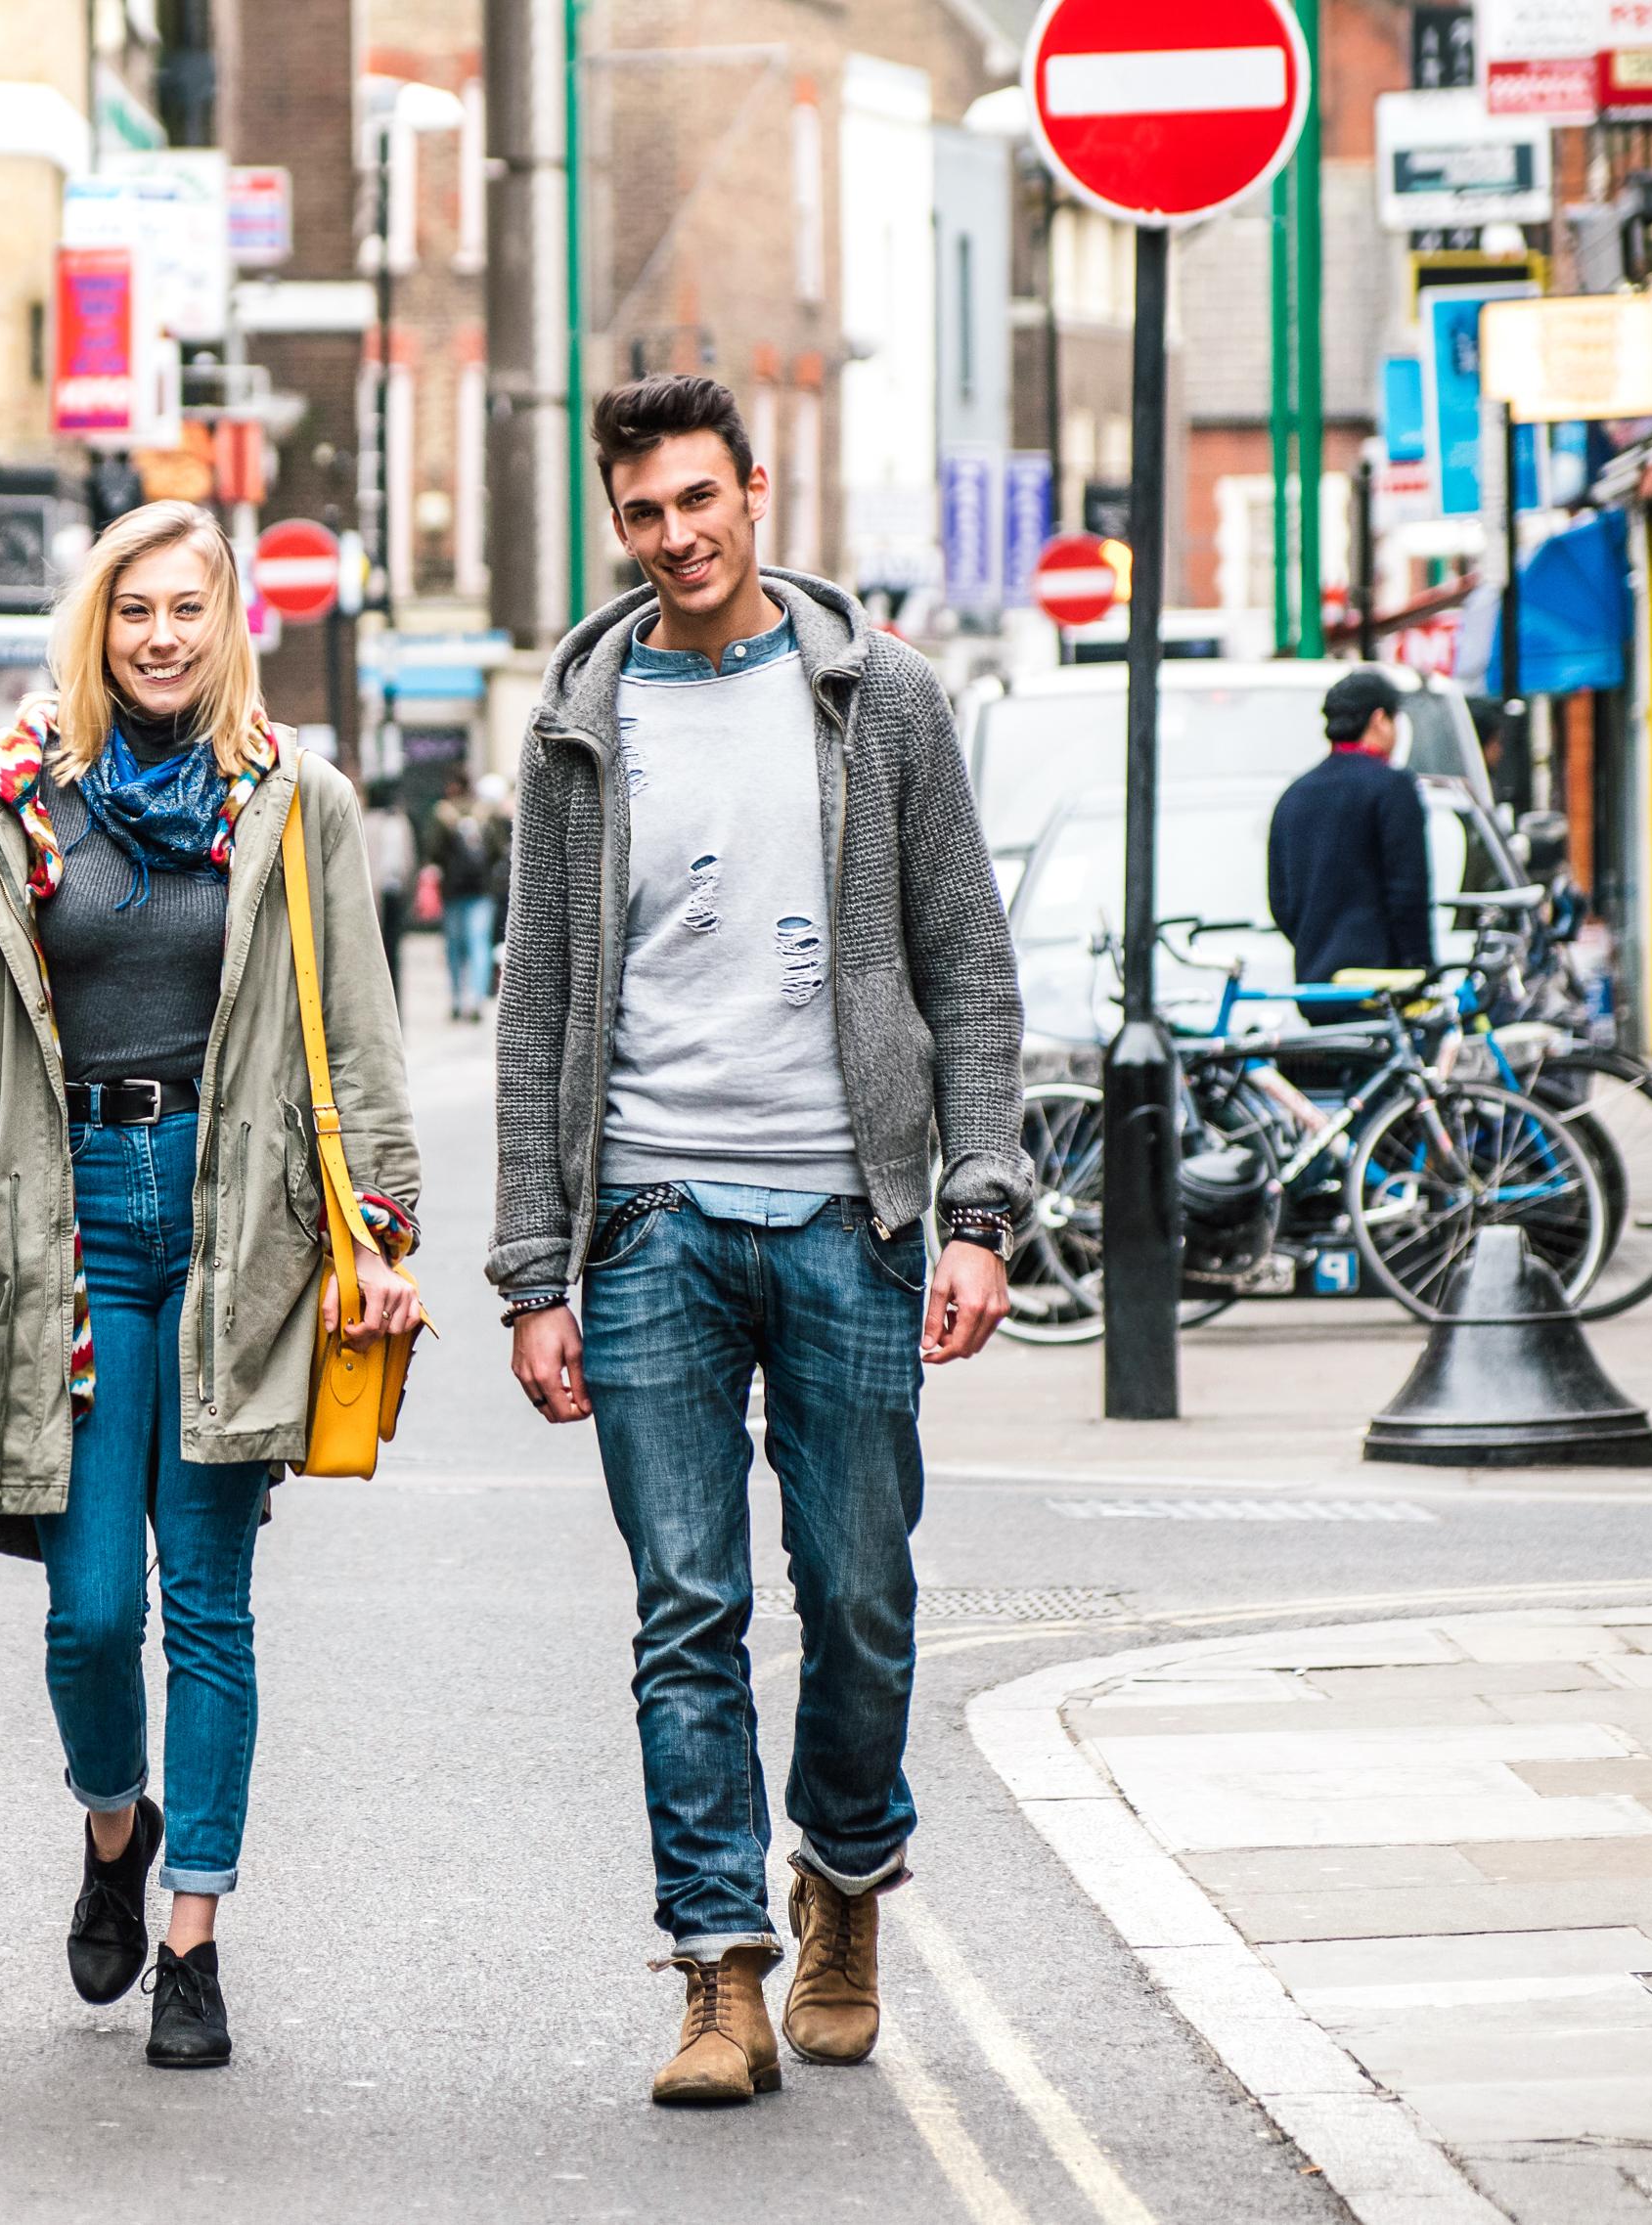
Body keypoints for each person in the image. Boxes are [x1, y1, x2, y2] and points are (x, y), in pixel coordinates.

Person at [490, 374, 1028, 2111]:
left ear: (756, 490)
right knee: (686, 1610)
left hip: (851, 1216)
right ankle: (719, 1965)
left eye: (698, 502)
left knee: (861, 1597)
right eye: (643, 514)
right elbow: (537, 1005)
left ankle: (846, 1878)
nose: (676, 539)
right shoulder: (581, 717)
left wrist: (978, 1206)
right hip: (646, 1219)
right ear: (618, 522)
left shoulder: (884, 701)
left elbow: (969, 966)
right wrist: (531, 1271)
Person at [0, 502, 423, 2071]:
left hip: (235, 1224)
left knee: (208, 1602)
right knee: (89, 1609)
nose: (162, 638)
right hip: (70, 1227)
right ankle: (113, 1827)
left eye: (189, 608)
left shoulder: (294, 797)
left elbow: (363, 1031)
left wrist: (377, 1236)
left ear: (226, 620)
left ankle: (192, 1932)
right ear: (95, 624)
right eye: (135, 611)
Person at [1268, 668, 1435, 1024]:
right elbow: (1407, 893)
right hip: (1380, 990)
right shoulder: (1392, 787)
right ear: (1380, 720)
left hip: (1317, 990)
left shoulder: (1294, 794)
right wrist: (1422, 969)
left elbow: (1281, 902)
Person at [432, 776, 510, 1021]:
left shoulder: (442, 814)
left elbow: (433, 852)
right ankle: (476, 1000)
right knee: (479, 945)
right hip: (481, 891)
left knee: (455, 948)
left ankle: (456, 999)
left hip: (453, 891)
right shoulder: (485, 814)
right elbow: (499, 851)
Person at [362, 777, 419, 1001]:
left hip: (379, 895)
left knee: (382, 954)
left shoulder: (369, 821)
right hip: (388, 892)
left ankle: (386, 1000)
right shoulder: (395, 822)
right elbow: (408, 860)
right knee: (388, 954)